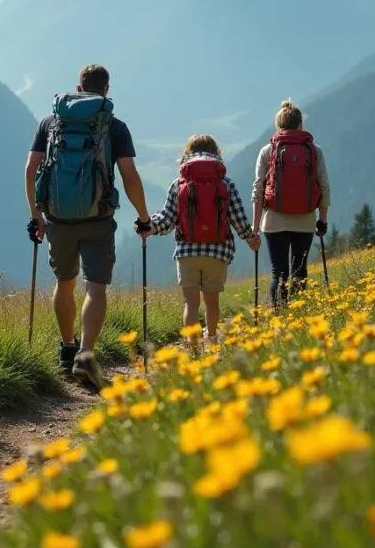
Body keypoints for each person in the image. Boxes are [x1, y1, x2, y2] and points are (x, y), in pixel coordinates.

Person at [25, 64, 151, 390]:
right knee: (95, 287)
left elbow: (31, 169)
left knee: (64, 283)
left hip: (58, 218)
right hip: (98, 219)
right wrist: (144, 216)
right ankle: (85, 355)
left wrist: (36, 215)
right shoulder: (114, 127)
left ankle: (66, 348)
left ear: (78, 89)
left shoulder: (51, 122)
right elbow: (130, 176)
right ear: (106, 91)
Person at [140, 134, 260, 342]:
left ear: (187, 154)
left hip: (187, 252)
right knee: (212, 303)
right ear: (217, 154)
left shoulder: (179, 183)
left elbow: (167, 219)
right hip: (218, 251)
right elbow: (238, 219)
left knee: (191, 304)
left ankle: (192, 346)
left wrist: (149, 226)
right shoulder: (226, 183)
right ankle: (212, 339)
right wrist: (251, 238)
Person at [251, 100, 330, 310]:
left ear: (278, 125)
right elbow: (324, 187)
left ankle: (280, 317)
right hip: (305, 220)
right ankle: (299, 317)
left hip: (273, 221)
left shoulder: (268, 151)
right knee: (300, 271)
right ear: (300, 124)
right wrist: (323, 220)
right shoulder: (314, 150)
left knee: (279, 273)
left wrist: (255, 226)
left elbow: (258, 190)